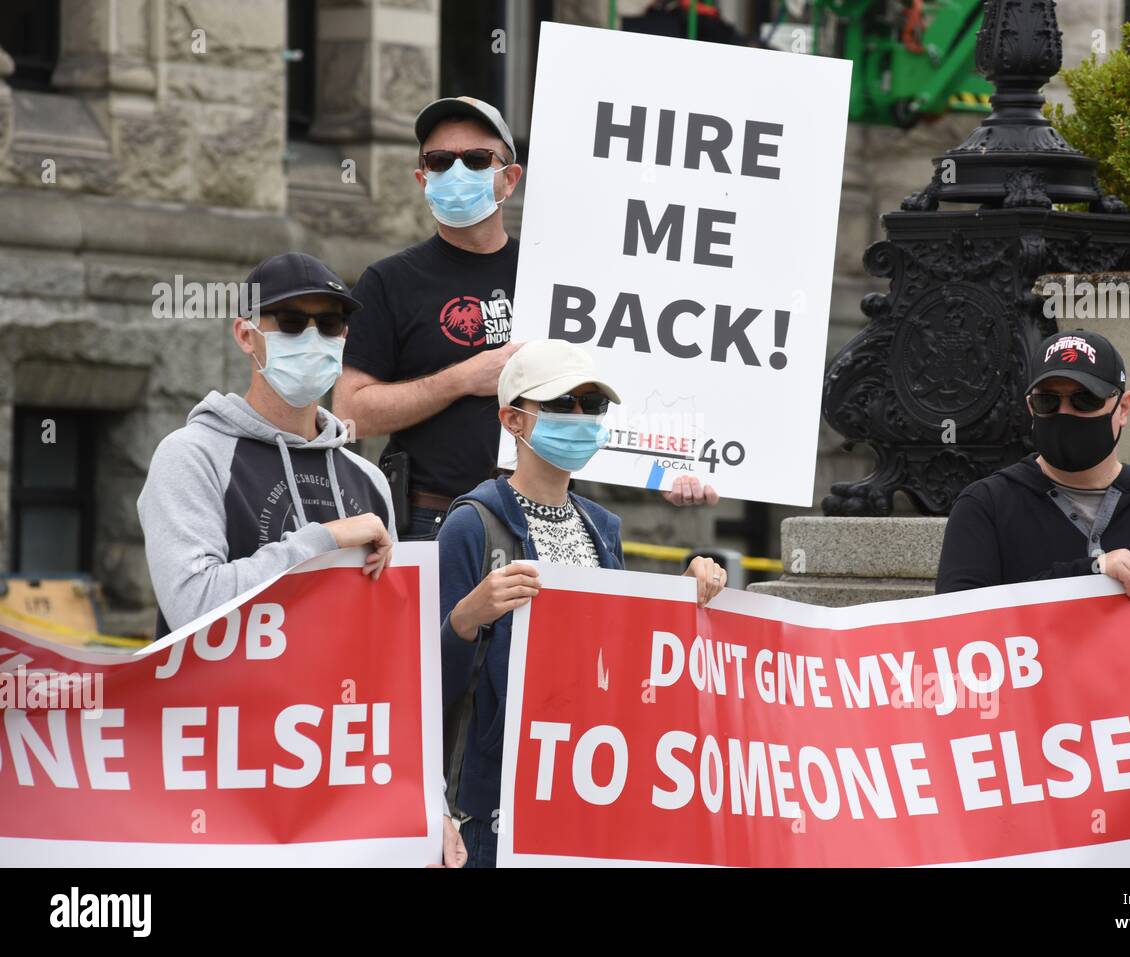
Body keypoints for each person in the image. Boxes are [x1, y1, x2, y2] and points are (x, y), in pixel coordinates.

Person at [137, 251, 465, 867]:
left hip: (334, 794)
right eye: (290, 322)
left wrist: (431, 805)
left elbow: (395, 669)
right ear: (246, 333)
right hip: (216, 788)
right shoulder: (191, 456)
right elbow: (193, 606)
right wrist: (321, 540)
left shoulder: (367, 479)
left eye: (332, 323)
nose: (312, 338)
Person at [333, 96, 716, 543]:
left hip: (550, 518)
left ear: (509, 179)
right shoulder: (389, 280)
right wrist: (460, 379)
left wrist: (659, 472)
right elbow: (350, 413)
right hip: (432, 520)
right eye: (439, 162)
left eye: (476, 160)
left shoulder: (561, 280)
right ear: (423, 178)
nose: (456, 172)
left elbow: (607, 392)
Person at [936, 329, 1130, 868]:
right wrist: (1084, 576)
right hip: (1024, 806)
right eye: (1048, 400)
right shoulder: (984, 507)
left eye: (1084, 400)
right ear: (1029, 407)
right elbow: (957, 643)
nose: (1065, 412)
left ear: (1122, 408)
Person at [438, 340, 728, 867]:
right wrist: (465, 619)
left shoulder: (603, 528)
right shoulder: (471, 524)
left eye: (591, 406)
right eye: (560, 403)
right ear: (514, 420)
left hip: (584, 791)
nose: (579, 417)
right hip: (495, 810)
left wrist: (681, 597)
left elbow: (619, 657)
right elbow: (421, 684)